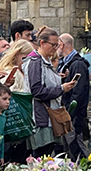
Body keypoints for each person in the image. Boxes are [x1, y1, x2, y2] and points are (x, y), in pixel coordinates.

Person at [25, 27, 74, 157]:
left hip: (48, 117)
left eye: (57, 45)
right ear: (42, 43)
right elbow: (36, 91)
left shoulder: (45, 61)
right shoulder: (36, 62)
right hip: (40, 118)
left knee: (47, 157)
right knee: (40, 157)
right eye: (53, 45)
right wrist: (62, 88)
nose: (55, 48)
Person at [57, 33, 90, 159]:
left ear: (61, 45)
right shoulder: (68, 64)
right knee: (68, 149)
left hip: (74, 116)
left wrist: (70, 113)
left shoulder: (77, 64)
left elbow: (78, 92)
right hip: (68, 114)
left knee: (77, 148)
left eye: (57, 45)